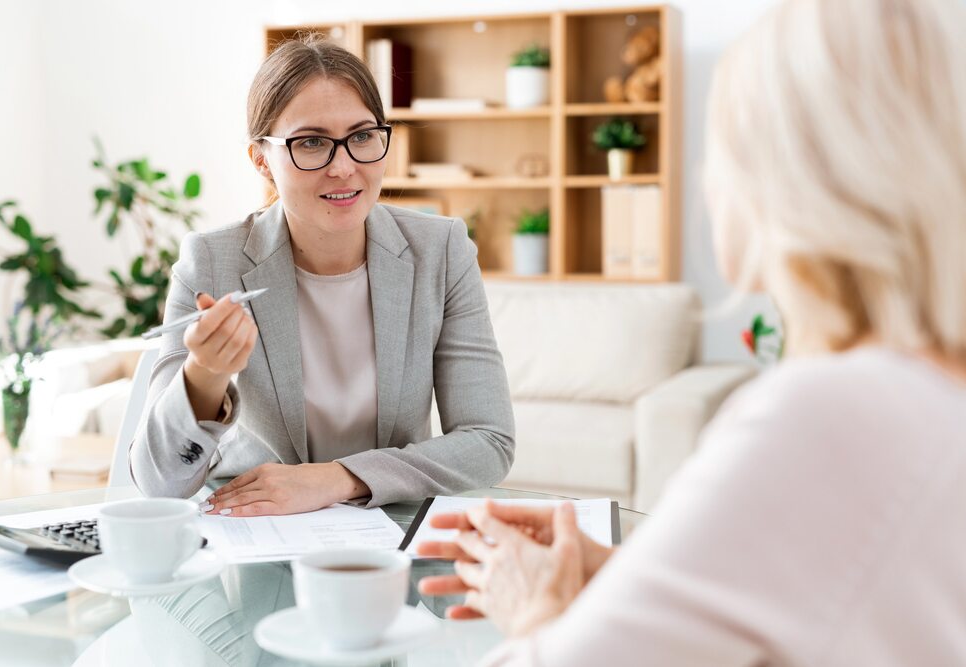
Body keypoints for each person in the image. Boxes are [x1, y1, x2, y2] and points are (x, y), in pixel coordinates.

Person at [419, 0, 966, 664]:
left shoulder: (831, 412)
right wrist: (627, 578)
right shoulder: (923, 398)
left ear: (783, 178)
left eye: (719, 149)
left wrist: (535, 607)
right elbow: (828, 596)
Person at [129, 36, 515, 515]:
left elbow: (488, 442)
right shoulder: (211, 261)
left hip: (388, 535)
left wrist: (336, 479)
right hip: (255, 538)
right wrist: (205, 374)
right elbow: (158, 481)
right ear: (261, 160)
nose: (344, 167)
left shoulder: (441, 250)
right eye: (311, 142)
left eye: (361, 136)